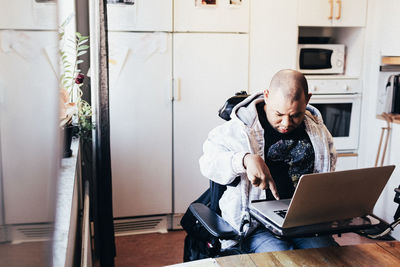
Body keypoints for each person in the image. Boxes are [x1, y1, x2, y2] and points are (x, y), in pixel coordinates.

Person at [199, 69, 338, 252]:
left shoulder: (318, 131)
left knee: (329, 257)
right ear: (266, 95)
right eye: (279, 114)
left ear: (308, 100)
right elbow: (208, 162)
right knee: (282, 258)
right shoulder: (239, 128)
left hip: (303, 220)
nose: (286, 123)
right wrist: (245, 160)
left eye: (295, 115)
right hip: (256, 226)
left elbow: (330, 168)